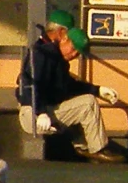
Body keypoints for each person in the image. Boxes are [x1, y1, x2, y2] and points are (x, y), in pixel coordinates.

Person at [17, 10, 122, 163]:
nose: (74, 55)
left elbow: (69, 86)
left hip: (44, 110)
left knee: (85, 100)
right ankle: (95, 148)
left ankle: (83, 144)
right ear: (63, 36)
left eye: (77, 54)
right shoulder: (41, 53)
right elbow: (29, 84)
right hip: (33, 113)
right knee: (88, 103)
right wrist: (40, 112)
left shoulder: (56, 57)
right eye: (73, 49)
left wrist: (97, 90)